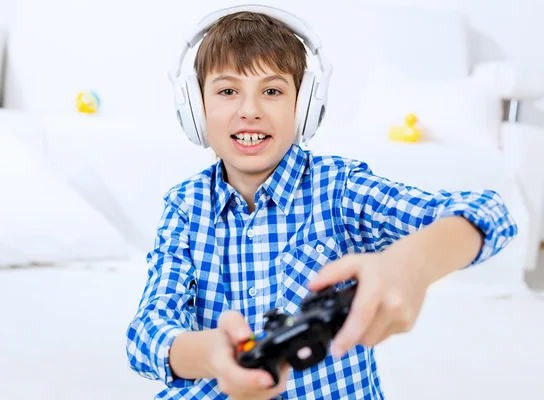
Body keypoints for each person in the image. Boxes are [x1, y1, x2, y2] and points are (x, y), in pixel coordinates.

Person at [126, 5, 518, 400]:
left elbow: (490, 213)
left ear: (306, 105)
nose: (249, 110)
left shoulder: (340, 188)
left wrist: (411, 262)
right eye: (228, 91)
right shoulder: (184, 206)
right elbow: (147, 334)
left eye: (272, 91)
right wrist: (209, 355)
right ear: (195, 107)